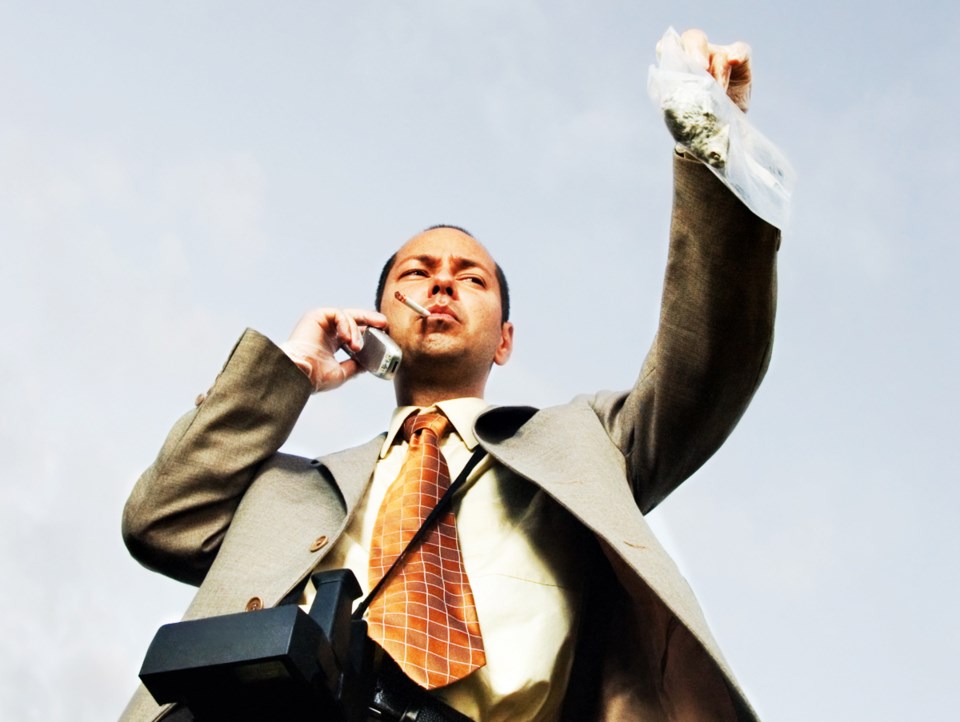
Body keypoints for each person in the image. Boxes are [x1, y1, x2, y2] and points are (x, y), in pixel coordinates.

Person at [121, 29, 782, 722]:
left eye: (469, 279)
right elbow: (162, 520)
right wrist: (287, 372)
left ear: (504, 342)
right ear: (380, 317)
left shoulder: (588, 443)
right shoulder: (289, 491)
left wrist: (711, 141)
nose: (441, 286)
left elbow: (707, 364)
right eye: (417, 274)